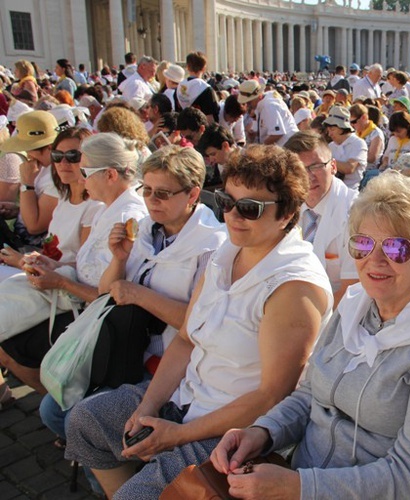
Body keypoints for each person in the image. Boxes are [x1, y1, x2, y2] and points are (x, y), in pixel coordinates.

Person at [64, 145, 332, 499]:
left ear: (287, 214)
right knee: (84, 422)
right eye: (227, 202)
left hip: (233, 432)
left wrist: (175, 436)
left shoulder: (294, 287)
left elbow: (271, 397)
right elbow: (187, 338)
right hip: (185, 398)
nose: (233, 216)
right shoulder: (227, 252)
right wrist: (148, 407)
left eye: (250, 208)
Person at [210, 171, 410, 499]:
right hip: (303, 477)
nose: (375, 260)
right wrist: (262, 432)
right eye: (363, 244)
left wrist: (299, 488)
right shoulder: (355, 308)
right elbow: (310, 395)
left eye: (397, 248)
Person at [39, 144, 227, 444]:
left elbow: (197, 325)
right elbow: (106, 292)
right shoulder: (146, 227)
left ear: (192, 195)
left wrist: (138, 294)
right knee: (53, 408)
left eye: (162, 193)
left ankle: (109, 463)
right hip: (125, 348)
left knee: (72, 416)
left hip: (170, 366)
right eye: (147, 190)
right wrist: (119, 259)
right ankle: (105, 455)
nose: (151, 201)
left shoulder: (213, 246)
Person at [0, 132, 147, 393]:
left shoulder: (126, 218)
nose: (80, 177)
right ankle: (58, 403)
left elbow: (113, 298)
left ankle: (62, 401)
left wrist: (58, 280)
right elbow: (88, 269)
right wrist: (52, 266)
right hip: (80, 306)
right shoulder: (108, 208)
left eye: (86, 171)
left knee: (12, 342)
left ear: (110, 175)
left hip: (101, 321)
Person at [285, 131, 359, 306]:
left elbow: (352, 288)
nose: (308, 177)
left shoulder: (356, 213)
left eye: (316, 166)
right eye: (298, 170)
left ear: (333, 166)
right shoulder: (285, 206)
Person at [0, 111, 60, 257]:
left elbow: (34, 227)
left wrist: (27, 183)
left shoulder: (58, 175)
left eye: (29, 148)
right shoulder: (42, 168)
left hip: (35, 250)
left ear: (49, 148)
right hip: (22, 244)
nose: (26, 153)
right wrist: (17, 210)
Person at [237, 80, 297, 146]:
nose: (248, 105)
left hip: (287, 145)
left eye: (249, 102)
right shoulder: (263, 103)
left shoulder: (269, 106)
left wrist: (260, 148)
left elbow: (277, 134)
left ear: (258, 96)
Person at [324, 106, 368, 190]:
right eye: (328, 130)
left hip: (350, 191)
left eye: (332, 129)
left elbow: (349, 168)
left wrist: (325, 162)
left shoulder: (358, 143)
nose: (329, 134)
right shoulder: (331, 146)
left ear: (342, 128)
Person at [174, 52, 220, 123]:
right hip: (201, 130)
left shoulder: (179, 87)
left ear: (188, 67)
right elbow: (210, 117)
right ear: (204, 68)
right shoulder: (206, 89)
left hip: (183, 129)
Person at [350, 103, 384, 172]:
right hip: (356, 170)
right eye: (350, 122)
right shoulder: (355, 132)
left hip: (369, 172)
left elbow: (372, 158)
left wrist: (354, 155)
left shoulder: (376, 133)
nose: (352, 125)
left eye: (354, 122)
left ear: (364, 117)